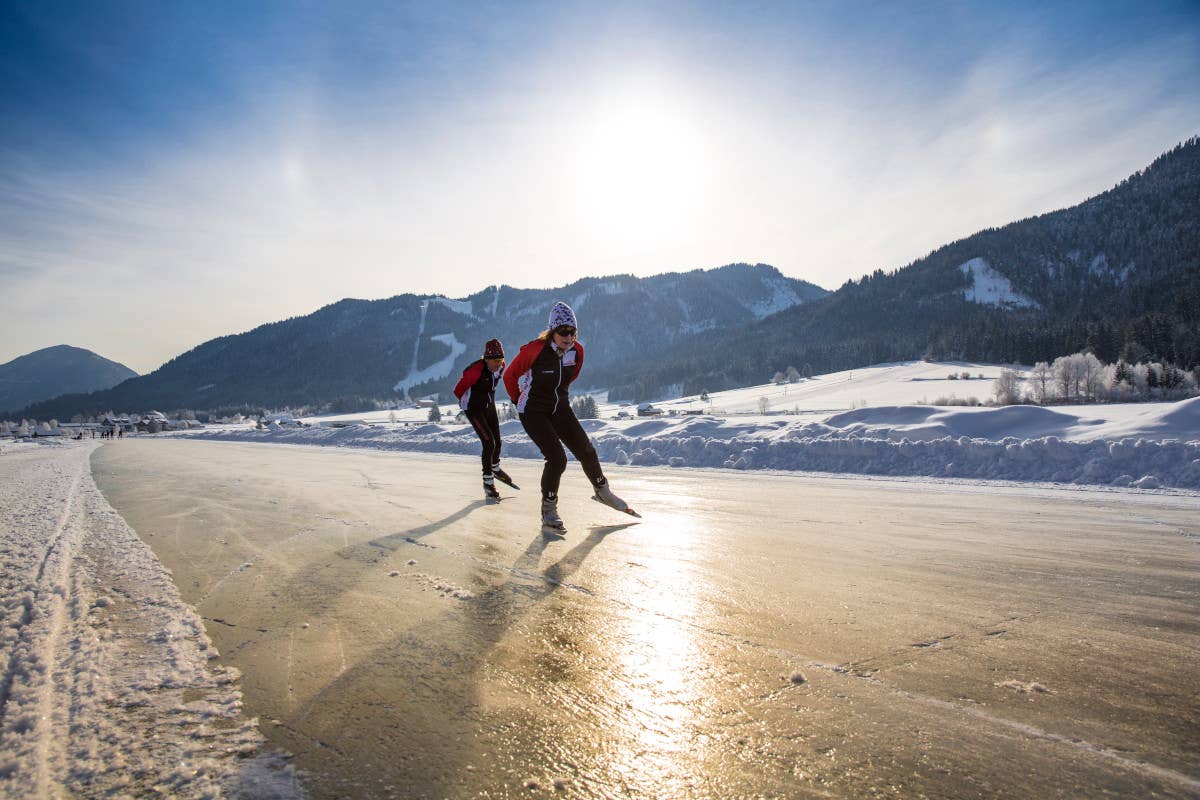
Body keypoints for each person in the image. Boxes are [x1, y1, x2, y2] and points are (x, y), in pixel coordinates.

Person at [503, 301, 635, 531]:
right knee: (557, 458)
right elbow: (509, 376)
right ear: (552, 331)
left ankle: (602, 491)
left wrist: (558, 395)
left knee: (586, 449)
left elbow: (569, 377)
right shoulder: (534, 350)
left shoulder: (577, 351)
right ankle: (549, 510)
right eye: (563, 331)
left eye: (572, 332)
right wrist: (518, 400)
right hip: (533, 410)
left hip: (559, 406)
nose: (568, 337)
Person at [454, 338, 515, 500]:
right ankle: (488, 483)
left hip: (489, 406)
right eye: (495, 360)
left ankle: (495, 468)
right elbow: (457, 390)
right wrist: (466, 403)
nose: (499, 364)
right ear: (486, 359)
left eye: (501, 360)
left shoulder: (500, 367)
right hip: (474, 409)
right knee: (489, 443)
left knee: (498, 441)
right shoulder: (475, 371)